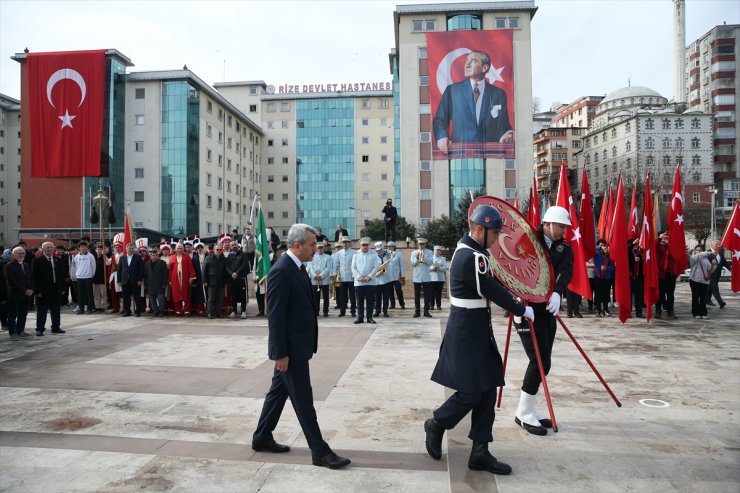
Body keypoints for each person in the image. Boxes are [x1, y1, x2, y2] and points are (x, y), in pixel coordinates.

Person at [425, 204, 534, 475]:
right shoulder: (472, 257)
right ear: (479, 229)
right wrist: (521, 309)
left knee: (487, 389)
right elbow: (491, 288)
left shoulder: (474, 253)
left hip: (476, 328)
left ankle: (480, 451)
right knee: (471, 392)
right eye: (494, 234)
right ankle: (437, 422)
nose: (497, 239)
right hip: (466, 333)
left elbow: (495, 283)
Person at [252, 223, 351, 470]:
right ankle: (319, 451)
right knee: (303, 400)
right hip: (291, 351)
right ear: (297, 246)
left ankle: (262, 436)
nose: (316, 249)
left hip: (298, 345)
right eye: (312, 245)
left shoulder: (296, 267)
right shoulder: (281, 271)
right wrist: (279, 353)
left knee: (278, 393)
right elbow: (275, 317)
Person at [514, 205, 573, 437]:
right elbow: (514, 266)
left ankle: (529, 408)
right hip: (526, 308)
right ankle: (523, 412)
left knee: (544, 361)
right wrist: (516, 296)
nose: (564, 231)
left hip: (548, 308)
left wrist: (558, 291)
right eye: (561, 226)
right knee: (539, 361)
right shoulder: (528, 239)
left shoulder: (564, 247)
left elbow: (566, 270)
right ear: (548, 224)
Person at [432, 50, 513, 154]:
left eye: (473, 61)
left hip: (490, 155)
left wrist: (505, 135)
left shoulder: (498, 94)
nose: (467, 64)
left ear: (485, 68)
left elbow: (503, 126)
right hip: (460, 154)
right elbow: (440, 120)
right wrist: (441, 137)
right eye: (466, 60)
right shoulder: (452, 91)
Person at [31, 241, 66, 336]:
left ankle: (55, 327)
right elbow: (34, 277)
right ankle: (40, 329)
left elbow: (62, 275)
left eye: (51, 247)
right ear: (43, 249)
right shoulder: (37, 260)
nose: (50, 249)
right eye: (47, 247)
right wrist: (37, 290)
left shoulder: (57, 259)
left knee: (56, 309)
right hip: (43, 290)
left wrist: (63, 288)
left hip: (56, 288)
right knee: (42, 310)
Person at [5, 246, 34, 339]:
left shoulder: (26, 265)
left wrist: (31, 289)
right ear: (13, 255)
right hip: (15, 294)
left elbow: (30, 279)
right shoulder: (9, 266)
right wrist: (24, 290)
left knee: (23, 314)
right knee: (13, 314)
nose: (21, 255)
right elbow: (12, 281)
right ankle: (12, 332)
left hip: (26, 295)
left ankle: (20, 330)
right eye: (19, 253)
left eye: (23, 253)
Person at [351, 237, 381, 324]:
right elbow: (353, 267)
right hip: (359, 282)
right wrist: (359, 276)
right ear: (360, 246)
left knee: (370, 301)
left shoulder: (374, 255)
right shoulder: (355, 255)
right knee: (359, 301)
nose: (365, 247)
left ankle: (369, 317)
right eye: (363, 245)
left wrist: (369, 277)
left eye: (366, 245)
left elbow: (376, 267)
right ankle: (360, 317)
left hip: (370, 282)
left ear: (369, 245)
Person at [688, 246, 716, 319]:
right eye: (697, 250)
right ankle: (696, 313)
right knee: (695, 297)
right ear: (695, 251)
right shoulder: (693, 258)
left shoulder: (706, 260)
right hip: (694, 280)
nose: (698, 251)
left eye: (700, 250)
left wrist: (713, 265)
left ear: (702, 250)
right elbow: (699, 255)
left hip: (704, 281)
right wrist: (710, 252)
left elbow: (710, 271)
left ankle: (703, 313)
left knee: (703, 298)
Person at [118, 243, 144, 317]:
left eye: (132, 248)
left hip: (135, 281)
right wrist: (119, 280)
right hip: (125, 281)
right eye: (129, 248)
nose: (131, 250)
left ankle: (138, 311)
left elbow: (141, 270)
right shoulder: (122, 258)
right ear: (126, 249)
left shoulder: (138, 258)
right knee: (126, 298)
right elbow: (119, 270)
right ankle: (127, 311)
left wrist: (140, 280)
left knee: (137, 297)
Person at [332, 237, 356, 318]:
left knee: (352, 295)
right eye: (343, 243)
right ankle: (342, 311)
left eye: (346, 242)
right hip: (342, 277)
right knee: (342, 295)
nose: (345, 244)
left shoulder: (354, 252)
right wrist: (334, 275)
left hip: (351, 277)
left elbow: (356, 264)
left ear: (349, 243)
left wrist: (355, 274)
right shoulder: (339, 253)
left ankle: (353, 311)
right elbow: (336, 264)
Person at [203, 243, 228, 319]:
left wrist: (226, 282)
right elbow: (204, 270)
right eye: (217, 249)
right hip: (211, 282)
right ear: (213, 250)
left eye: (220, 249)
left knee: (220, 298)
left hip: (221, 282)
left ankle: (218, 313)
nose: (219, 251)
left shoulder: (224, 259)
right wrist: (204, 281)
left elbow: (226, 271)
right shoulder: (208, 258)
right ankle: (210, 313)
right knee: (211, 299)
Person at [410, 238, 434, 318]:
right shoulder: (414, 252)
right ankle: (417, 311)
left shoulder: (429, 252)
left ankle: (426, 311)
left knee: (427, 295)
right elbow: (413, 264)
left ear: (425, 244)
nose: (421, 245)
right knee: (417, 295)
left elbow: (430, 263)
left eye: (423, 244)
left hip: (426, 277)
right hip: (417, 277)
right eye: (420, 244)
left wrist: (424, 257)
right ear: (418, 244)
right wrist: (417, 258)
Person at [226, 240, 250, 318]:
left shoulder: (243, 254)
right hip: (232, 279)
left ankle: (243, 311)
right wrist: (231, 273)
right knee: (234, 296)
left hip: (241, 278)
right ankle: (234, 311)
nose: (234, 246)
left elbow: (244, 265)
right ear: (230, 247)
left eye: (235, 244)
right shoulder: (229, 255)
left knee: (243, 296)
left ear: (237, 245)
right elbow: (227, 266)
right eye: (232, 245)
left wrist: (237, 273)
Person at [308, 243, 331, 317]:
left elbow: (328, 267)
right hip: (314, 280)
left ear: (323, 249)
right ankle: (316, 311)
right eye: (318, 248)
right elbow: (310, 267)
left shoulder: (328, 257)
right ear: (316, 248)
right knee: (315, 297)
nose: (320, 249)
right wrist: (314, 275)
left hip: (324, 280)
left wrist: (321, 276)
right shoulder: (312, 256)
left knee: (325, 297)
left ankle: (325, 311)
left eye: (321, 248)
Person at [73, 241, 96, 315]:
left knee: (89, 294)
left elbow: (93, 267)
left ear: (87, 247)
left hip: (88, 277)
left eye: (84, 246)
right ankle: (81, 308)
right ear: (79, 248)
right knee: (80, 294)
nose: (83, 248)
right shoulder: (77, 257)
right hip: (79, 277)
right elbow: (76, 266)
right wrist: (78, 274)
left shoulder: (90, 256)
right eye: (81, 247)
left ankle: (90, 308)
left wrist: (91, 275)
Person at [593, 239, 614, 318]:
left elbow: (613, 267)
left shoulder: (609, 255)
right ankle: (598, 309)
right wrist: (600, 248)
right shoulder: (596, 253)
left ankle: (606, 309)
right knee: (598, 293)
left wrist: (607, 268)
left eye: (604, 245)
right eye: (601, 245)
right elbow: (593, 249)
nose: (603, 247)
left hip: (607, 277)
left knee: (606, 293)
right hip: (598, 276)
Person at [145, 249, 169, 317]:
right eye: (153, 255)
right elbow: (145, 275)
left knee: (160, 299)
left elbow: (165, 274)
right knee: (152, 299)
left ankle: (161, 311)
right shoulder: (147, 264)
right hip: (151, 284)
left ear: (158, 256)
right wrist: (146, 284)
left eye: (156, 255)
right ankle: (155, 311)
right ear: (150, 256)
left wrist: (164, 283)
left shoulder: (162, 263)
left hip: (160, 284)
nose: (154, 256)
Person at [707, 240, 731, 309]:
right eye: (716, 244)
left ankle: (707, 300)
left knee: (710, 288)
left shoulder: (720, 253)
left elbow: (725, 262)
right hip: (711, 274)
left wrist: (730, 269)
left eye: (719, 245)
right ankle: (721, 302)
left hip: (717, 275)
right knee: (715, 288)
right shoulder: (708, 253)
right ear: (712, 245)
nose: (718, 246)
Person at [372, 241, 393, 318]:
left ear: (383, 248)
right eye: (377, 250)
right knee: (377, 297)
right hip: (377, 279)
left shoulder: (388, 255)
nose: (379, 251)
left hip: (386, 279)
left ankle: (385, 311)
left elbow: (390, 264)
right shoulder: (373, 256)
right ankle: (377, 311)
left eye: (380, 250)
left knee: (386, 296)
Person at [386, 241, 406, 309]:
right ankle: (392, 304)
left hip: (397, 276)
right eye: (388, 246)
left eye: (390, 246)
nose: (389, 247)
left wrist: (402, 275)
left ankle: (402, 304)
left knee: (398, 290)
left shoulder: (398, 254)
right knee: (390, 291)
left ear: (394, 247)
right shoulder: (386, 254)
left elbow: (401, 265)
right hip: (388, 276)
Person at [628, 240, 645, 318]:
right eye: (634, 245)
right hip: (630, 277)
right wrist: (632, 243)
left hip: (639, 277)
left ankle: (639, 312)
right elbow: (627, 248)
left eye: (637, 245)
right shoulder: (628, 254)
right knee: (629, 296)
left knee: (639, 296)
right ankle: (628, 312)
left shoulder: (641, 253)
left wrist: (640, 259)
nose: (636, 247)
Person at [430, 245, 448, 310]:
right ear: (434, 251)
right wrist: (433, 268)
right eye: (437, 250)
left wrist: (439, 268)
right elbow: (427, 267)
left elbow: (445, 268)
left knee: (438, 293)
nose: (438, 252)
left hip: (440, 278)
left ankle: (438, 305)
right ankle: (431, 305)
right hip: (432, 278)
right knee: (431, 293)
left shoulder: (443, 258)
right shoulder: (430, 258)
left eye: (439, 251)